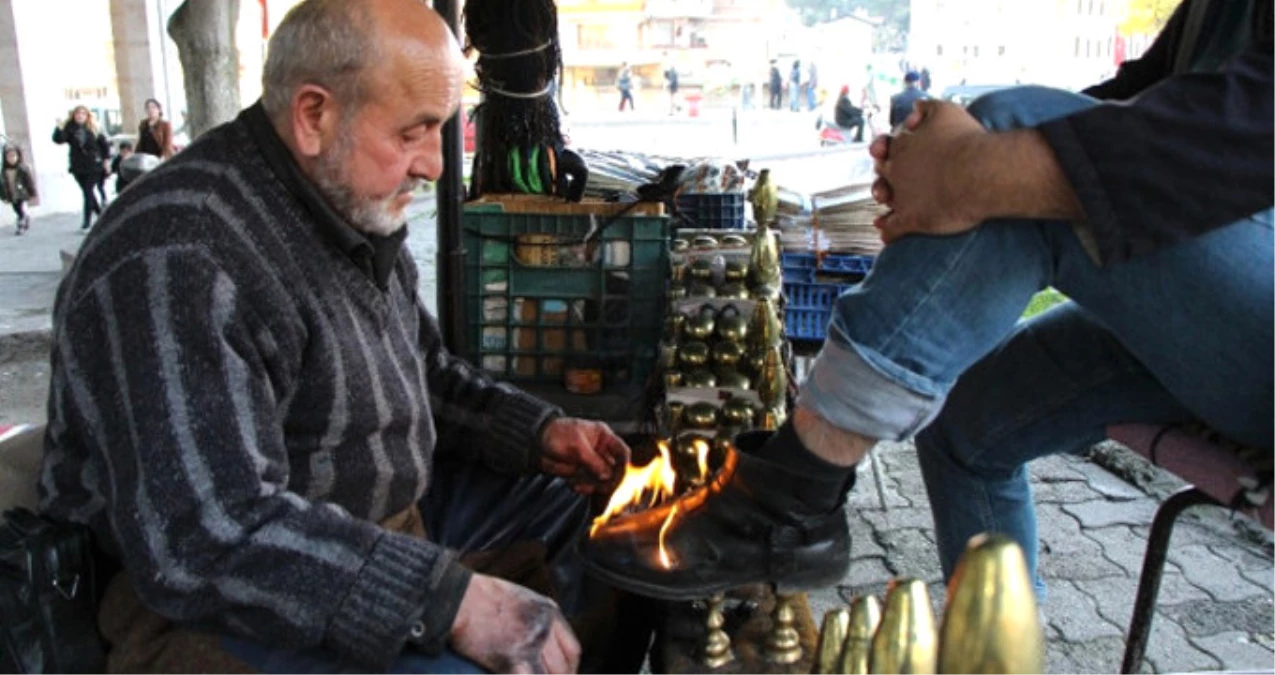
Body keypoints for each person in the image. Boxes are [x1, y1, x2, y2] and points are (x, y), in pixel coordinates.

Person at [584, 0, 1275, 606]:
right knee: (968, 423)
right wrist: (932, 171)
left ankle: (794, 489)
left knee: (1008, 143)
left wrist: (969, 168)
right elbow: (1135, 105)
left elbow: (1238, 134)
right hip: (1214, 326)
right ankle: (1000, 655)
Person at [40, 1, 633, 673]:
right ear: (314, 114)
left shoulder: (347, 203)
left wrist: (536, 432)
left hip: (379, 517)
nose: (434, 166)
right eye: (415, 132)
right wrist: (444, 598)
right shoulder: (178, 256)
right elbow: (206, 536)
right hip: (212, 601)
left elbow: (426, 372)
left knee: (603, 515)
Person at [51, 105, 110, 230]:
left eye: (83, 113)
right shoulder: (70, 128)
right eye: (78, 113)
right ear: (73, 115)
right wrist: (59, 128)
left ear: (87, 116)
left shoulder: (94, 128)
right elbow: (59, 140)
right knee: (87, 192)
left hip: (94, 164)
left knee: (88, 191)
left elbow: (104, 145)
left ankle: (87, 222)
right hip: (78, 165)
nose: (80, 116)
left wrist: (106, 161)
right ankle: (101, 216)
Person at [0, 145, 36, 235]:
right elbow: (1, 185)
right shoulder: (4, 171)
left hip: (20, 193)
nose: (12, 159)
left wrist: (32, 192)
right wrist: (2, 196)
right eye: (9, 157)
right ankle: (25, 217)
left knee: (19, 208)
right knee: (15, 208)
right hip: (11, 193)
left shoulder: (22, 168)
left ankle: (21, 225)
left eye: (13, 156)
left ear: (18, 157)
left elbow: (29, 181)